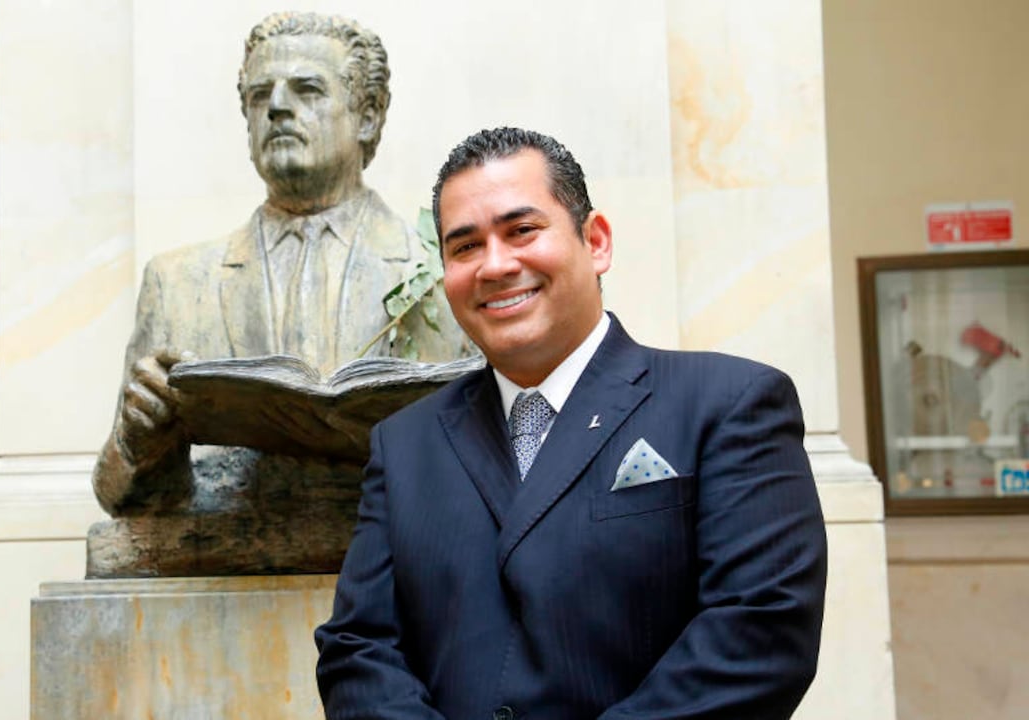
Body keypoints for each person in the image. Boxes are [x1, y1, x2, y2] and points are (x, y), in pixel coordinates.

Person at [314, 127, 827, 719]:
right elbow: (358, 648)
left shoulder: (729, 403)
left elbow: (762, 631)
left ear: (596, 241)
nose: (495, 265)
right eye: (466, 246)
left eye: (522, 231)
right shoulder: (404, 444)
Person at [92, 12, 468, 516]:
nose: (277, 108)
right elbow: (118, 497)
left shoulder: (445, 275)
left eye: (307, 90)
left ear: (368, 116)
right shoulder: (176, 284)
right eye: (259, 95)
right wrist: (140, 440)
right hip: (229, 550)